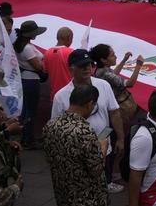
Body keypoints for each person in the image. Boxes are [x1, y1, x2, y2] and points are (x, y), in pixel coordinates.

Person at [51, 49, 124, 193]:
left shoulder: (103, 85)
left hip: (104, 143)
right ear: (71, 68)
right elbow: (55, 127)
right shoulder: (61, 96)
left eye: (89, 64)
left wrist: (120, 138)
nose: (86, 68)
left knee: (103, 187)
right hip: (76, 154)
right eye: (81, 65)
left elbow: (114, 113)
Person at [42, 83, 108, 206]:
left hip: (62, 193)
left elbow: (49, 158)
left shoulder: (50, 125)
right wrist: (103, 146)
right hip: (87, 197)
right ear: (90, 104)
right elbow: (96, 169)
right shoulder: (84, 131)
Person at [14, 20, 47, 148]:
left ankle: (25, 136)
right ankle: (28, 139)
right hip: (31, 80)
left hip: (24, 78)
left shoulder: (19, 45)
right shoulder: (27, 48)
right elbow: (38, 66)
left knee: (26, 109)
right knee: (31, 111)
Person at [43, 27, 74, 99]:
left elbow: (45, 71)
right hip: (70, 95)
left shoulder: (47, 52)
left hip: (54, 95)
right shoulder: (71, 52)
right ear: (69, 38)